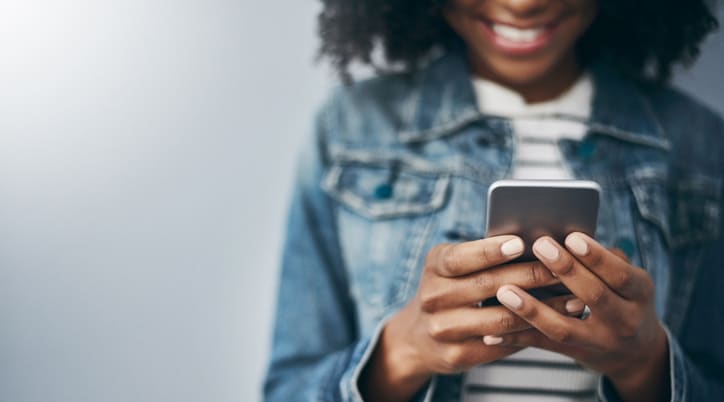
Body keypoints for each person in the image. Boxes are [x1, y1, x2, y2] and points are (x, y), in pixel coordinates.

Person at [264, 0, 724, 401]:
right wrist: (401, 352)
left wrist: (645, 365)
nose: (523, 5)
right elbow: (289, 390)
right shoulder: (350, 129)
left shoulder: (698, 145)